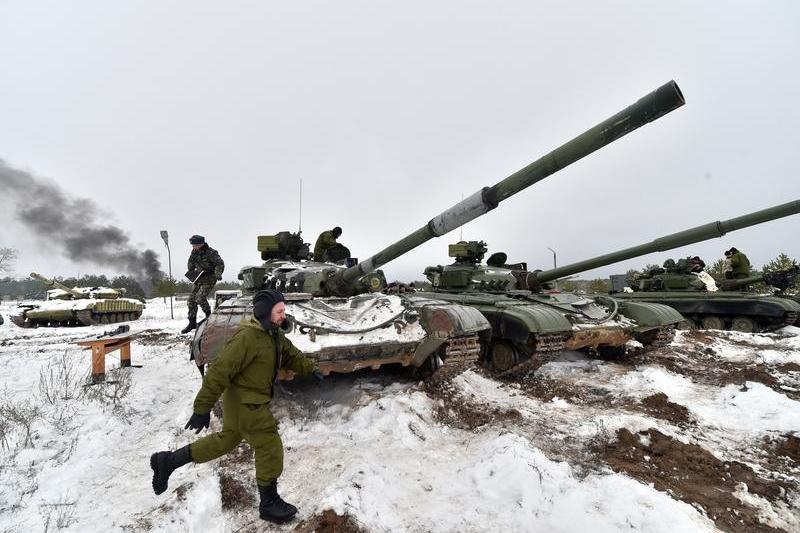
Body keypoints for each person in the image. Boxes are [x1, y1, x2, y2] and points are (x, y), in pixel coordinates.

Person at [150, 289, 324, 524]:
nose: (284, 315)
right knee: (269, 445)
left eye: (284, 310)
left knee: (227, 440)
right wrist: (202, 408)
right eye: (279, 311)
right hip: (246, 402)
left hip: (245, 400)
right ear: (265, 313)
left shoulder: (272, 334)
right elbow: (220, 371)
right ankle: (269, 503)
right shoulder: (247, 338)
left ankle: (168, 461)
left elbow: (290, 354)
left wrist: (310, 368)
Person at [181, 235, 225, 334]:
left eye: (195, 245)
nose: (193, 247)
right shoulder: (194, 252)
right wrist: (191, 268)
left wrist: (218, 274)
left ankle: (208, 316)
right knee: (191, 300)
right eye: (192, 246)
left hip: (210, 278)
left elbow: (220, 264)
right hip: (199, 277)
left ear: (201, 244)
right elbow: (190, 262)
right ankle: (192, 323)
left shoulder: (211, 252)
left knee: (200, 297)